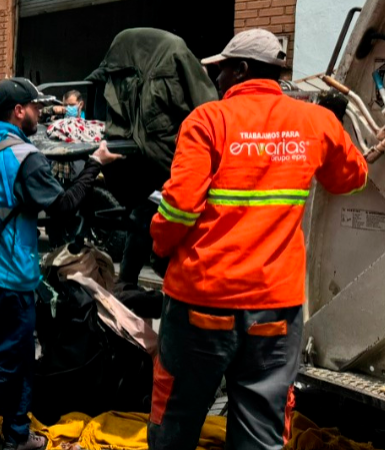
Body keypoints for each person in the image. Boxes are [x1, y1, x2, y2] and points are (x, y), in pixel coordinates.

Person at [147, 29, 368, 450]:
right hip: (274, 307)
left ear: (242, 70)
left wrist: (159, 244)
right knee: (260, 424)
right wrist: (332, 131)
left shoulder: (208, 120)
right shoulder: (315, 121)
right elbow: (352, 178)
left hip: (202, 300)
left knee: (176, 415)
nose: (216, 79)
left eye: (222, 69)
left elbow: (179, 207)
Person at [0, 77, 122, 450]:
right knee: (3, 360)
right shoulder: (25, 157)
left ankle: (18, 433)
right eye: (36, 107)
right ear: (19, 111)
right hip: (8, 278)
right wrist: (92, 165)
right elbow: (62, 206)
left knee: (16, 356)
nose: (42, 112)